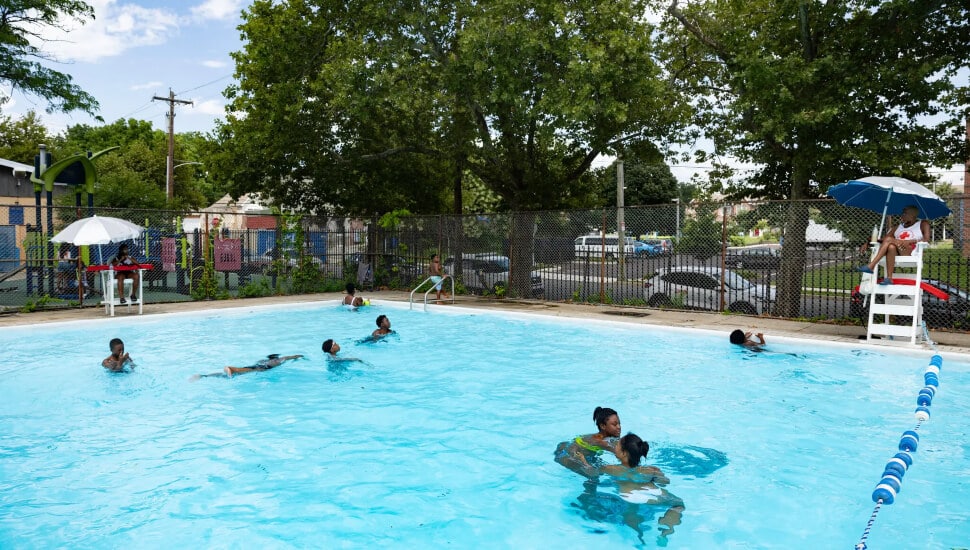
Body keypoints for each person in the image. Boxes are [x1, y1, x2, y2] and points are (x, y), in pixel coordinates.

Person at [595, 433, 685, 544]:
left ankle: (639, 536)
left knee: (631, 511)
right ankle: (666, 529)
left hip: (628, 495)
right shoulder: (651, 470)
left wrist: (583, 461)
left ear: (623, 453)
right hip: (651, 494)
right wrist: (654, 477)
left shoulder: (610, 468)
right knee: (679, 503)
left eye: (617, 445)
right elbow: (665, 482)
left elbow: (592, 472)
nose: (614, 447)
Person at [856, 205, 931, 285]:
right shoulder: (897, 227)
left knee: (889, 240)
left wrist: (910, 241)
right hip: (897, 250)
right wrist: (868, 243)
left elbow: (926, 239)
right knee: (891, 247)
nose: (902, 215)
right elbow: (884, 240)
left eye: (905, 213)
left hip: (911, 250)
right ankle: (889, 278)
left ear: (912, 215)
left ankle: (871, 265)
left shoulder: (922, 224)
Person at [555, 406, 622, 478]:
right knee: (594, 475)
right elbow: (623, 455)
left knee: (599, 466)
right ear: (603, 426)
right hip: (567, 456)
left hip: (569, 448)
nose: (619, 427)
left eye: (619, 423)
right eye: (614, 424)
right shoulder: (602, 442)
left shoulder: (602, 437)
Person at [190, 354, 304, 380]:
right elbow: (288, 357)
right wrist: (299, 356)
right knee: (235, 372)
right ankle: (229, 369)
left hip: (256, 367)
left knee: (227, 376)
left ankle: (203, 376)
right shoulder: (278, 360)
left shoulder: (264, 360)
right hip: (256, 369)